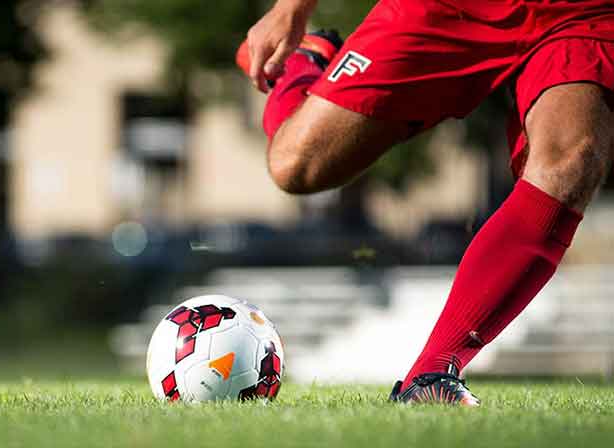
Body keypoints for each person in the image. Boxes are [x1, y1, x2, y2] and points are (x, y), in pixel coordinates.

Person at [236, 0, 614, 406]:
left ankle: (432, 374)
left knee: (571, 161)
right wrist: (292, 9)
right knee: (296, 165)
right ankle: (304, 62)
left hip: (584, 11)